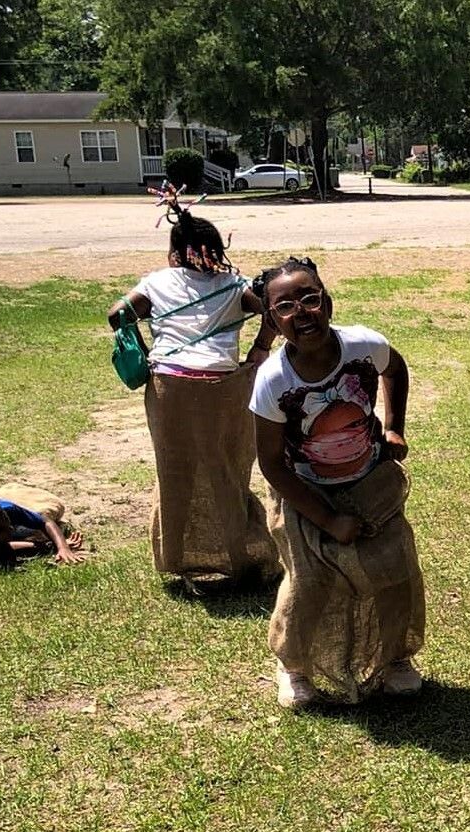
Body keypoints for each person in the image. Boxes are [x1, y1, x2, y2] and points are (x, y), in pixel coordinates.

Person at [249, 257, 426, 709]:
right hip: (305, 493)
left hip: (370, 482)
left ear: (327, 301)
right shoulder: (272, 381)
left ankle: (394, 660)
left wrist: (394, 427)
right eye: (285, 306)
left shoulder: (363, 346)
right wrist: (328, 519)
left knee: (394, 568)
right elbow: (272, 463)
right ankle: (293, 667)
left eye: (309, 298)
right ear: (272, 320)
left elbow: (396, 368)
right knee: (308, 584)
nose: (301, 311)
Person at [106, 190, 280, 592]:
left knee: (175, 471)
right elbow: (271, 307)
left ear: (174, 251)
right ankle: (238, 557)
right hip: (224, 386)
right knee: (227, 468)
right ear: (215, 248)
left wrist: (146, 350)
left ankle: (179, 560)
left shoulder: (157, 281)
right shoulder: (233, 285)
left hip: (170, 386)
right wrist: (260, 347)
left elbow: (117, 315)